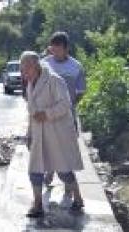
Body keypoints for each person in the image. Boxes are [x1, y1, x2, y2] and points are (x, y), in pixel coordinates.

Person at [20, 51, 84, 218]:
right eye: (22, 69)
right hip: (38, 132)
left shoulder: (55, 80)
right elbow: (31, 112)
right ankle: (38, 205)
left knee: (63, 170)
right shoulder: (30, 82)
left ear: (36, 66)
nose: (24, 73)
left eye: (27, 69)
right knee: (34, 170)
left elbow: (65, 105)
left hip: (56, 133)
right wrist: (29, 133)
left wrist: (47, 114)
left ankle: (78, 198)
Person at [42, 32, 86, 191]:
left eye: (58, 48)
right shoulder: (44, 64)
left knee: (68, 146)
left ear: (66, 48)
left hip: (68, 114)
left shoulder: (76, 67)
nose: (54, 51)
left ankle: (69, 181)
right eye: (52, 48)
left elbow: (81, 91)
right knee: (48, 144)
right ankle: (50, 170)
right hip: (47, 114)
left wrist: (68, 106)